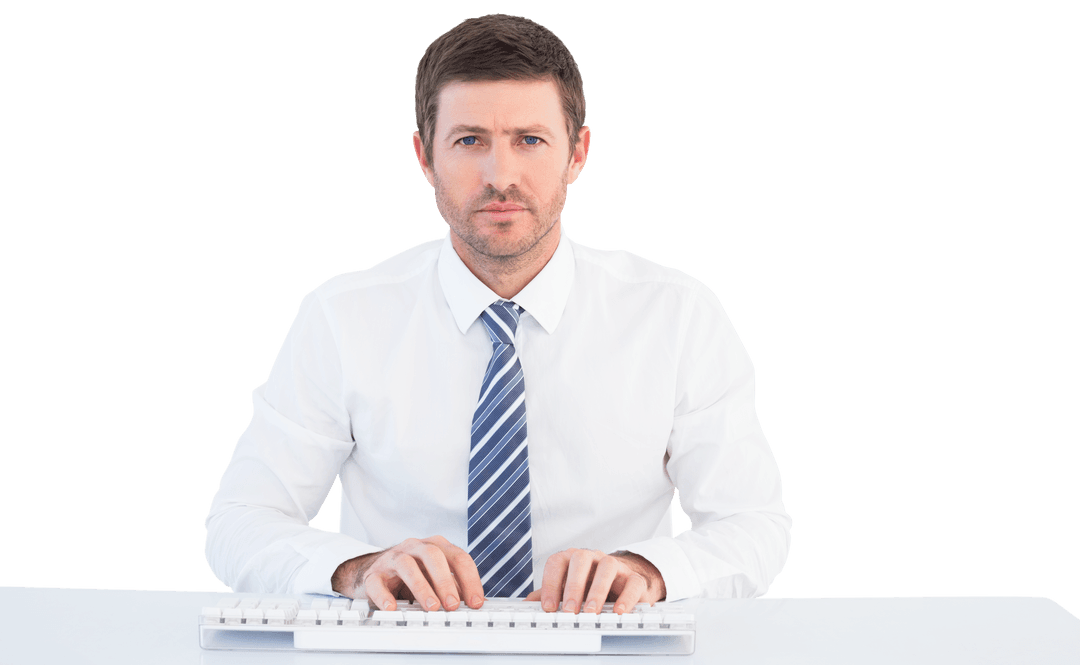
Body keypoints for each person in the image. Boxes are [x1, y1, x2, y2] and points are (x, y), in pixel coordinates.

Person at [204, 13, 792, 616]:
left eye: (530, 140)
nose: (500, 177)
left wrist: (648, 572)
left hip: (607, 647)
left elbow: (753, 526)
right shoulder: (341, 317)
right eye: (469, 141)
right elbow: (240, 522)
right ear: (424, 157)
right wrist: (355, 570)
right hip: (403, 649)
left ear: (579, 152)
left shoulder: (676, 315)